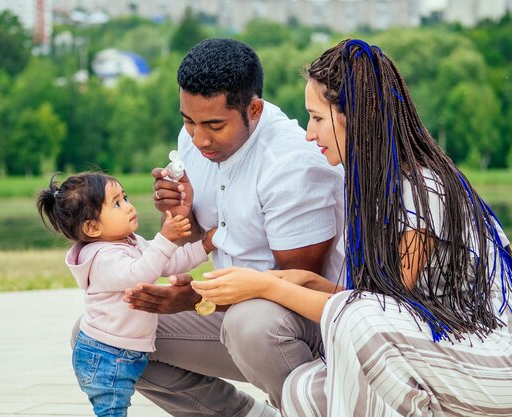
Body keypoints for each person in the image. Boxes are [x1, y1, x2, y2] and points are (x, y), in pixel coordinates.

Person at [192, 39, 512, 417]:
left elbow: (375, 312)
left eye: (317, 118)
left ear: (357, 117)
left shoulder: (425, 188)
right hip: (432, 355)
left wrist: (266, 284)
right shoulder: (371, 188)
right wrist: (304, 282)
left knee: (358, 322)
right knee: (303, 390)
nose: (309, 134)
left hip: (488, 360)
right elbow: (373, 300)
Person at [123, 38, 345, 416]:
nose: (199, 138)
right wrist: (181, 215)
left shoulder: (292, 164)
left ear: (254, 110)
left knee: (251, 326)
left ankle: (315, 410)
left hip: (296, 322)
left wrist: (199, 298)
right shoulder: (195, 140)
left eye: (213, 125)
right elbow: (205, 234)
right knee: (109, 333)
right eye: (188, 121)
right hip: (229, 304)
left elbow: (294, 283)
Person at [36, 171, 215, 417]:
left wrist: (204, 245)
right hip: (104, 355)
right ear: (92, 227)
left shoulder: (130, 241)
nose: (129, 207)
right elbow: (140, 273)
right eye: (117, 204)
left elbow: (167, 262)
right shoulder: (102, 257)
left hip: (123, 351)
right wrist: (166, 238)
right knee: (112, 412)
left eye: (126, 197)